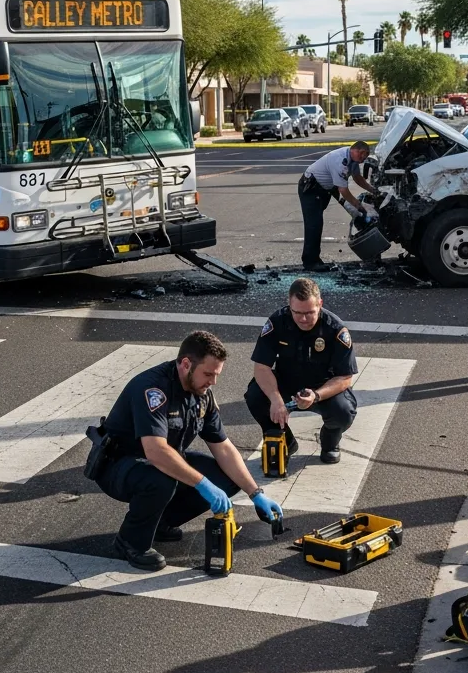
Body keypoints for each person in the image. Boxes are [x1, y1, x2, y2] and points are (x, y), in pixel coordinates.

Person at [95, 330, 283, 571]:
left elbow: (223, 448)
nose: (213, 382)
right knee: (163, 480)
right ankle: (130, 541)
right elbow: (156, 452)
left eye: (216, 375)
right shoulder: (153, 389)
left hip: (161, 460)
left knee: (227, 479)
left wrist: (255, 493)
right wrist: (202, 484)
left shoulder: (202, 394)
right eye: (208, 374)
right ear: (186, 364)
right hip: (119, 465)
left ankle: (158, 523)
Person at [246, 277, 358, 464]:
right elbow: (261, 367)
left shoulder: (335, 329)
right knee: (255, 396)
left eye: (309, 313)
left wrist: (316, 395)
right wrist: (276, 399)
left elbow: (345, 377)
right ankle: (286, 440)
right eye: (297, 312)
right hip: (286, 382)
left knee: (344, 411)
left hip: (322, 387)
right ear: (289, 305)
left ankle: (330, 442)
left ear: (320, 304)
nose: (303, 319)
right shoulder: (277, 322)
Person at [298, 140, 378, 271]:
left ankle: (371, 252)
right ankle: (310, 262)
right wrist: (359, 206)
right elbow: (343, 190)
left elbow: (357, 178)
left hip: (327, 187)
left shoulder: (353, 159)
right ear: (359, 151)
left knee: (356, 213)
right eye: (363, 157)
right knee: (314, 224)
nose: (363, 161)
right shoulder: (340, 161)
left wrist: (374, 191)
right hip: (311, 188)